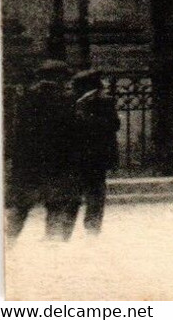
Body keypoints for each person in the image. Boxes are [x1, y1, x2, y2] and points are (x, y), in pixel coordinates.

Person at [5, 60, 79, 241]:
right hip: (56, 162)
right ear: (60, 79)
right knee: (56, 205)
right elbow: (70, 132)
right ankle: (51, 246)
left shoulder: (25, 99)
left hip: (27, 163)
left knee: (20, 206)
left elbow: (15, 131)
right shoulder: (65, 100)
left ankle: (7, 242)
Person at [71, 68, 120, 235]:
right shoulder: (78, 100)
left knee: (95, 191)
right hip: (81, 154)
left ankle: (92, 226)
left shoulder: (104, 101)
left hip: (97, 155)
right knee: (83, 190)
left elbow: (114, 125)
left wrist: (86, 120)